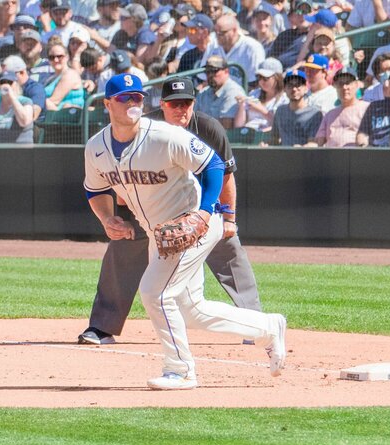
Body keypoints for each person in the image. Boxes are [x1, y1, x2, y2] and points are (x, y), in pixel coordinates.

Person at [83, 73, 286, 390]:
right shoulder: (96, 147)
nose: (133, 102)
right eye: (125, 98)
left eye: (137, 97)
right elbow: (94, 190)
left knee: (155, 292)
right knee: (191, 310)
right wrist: (107, 219)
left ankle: (180, 370)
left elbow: (215, 165)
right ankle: (268, 327)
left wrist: (206, 212)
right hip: (161, 234)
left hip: (194, 224)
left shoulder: (165, 135)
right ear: (108, 104)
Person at [306, 67, 368, 147]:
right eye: (340, 83)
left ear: (356, 85)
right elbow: (318, 143)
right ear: (335, 86)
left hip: (357, 156)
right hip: (332, 157)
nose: (344, 87)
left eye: (348, 82)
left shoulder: (367, 109)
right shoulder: (329, 115)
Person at [270, 69, 323, 146]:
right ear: (284, 89)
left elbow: (314, 143)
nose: (294, 89)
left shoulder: (314, 113)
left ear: (306, 88)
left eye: (298, 85)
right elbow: (274, 139)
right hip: (283, 156)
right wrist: (266, 144)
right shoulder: (280, 111)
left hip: (305, 156)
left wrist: (301, 148)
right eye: (290, 85)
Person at [210, 14, 266, 85]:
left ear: (234, 30)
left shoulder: (252, 47)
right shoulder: (213, 45)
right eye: (216, 32)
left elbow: (255, 83)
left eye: (221, 33)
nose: (217, 36)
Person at [234, 57, 287, 132]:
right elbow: (238, 126)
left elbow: (282, 128)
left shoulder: (284, 99)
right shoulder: (254, 94)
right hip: (248, 135)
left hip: (268, 138)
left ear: (277, 78)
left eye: (265, 78)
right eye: (259, 77)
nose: (261, 81)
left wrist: (262, 110)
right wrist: (241, 106)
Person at [195, 55, 246, 129]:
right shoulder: (203, 93)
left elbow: (226, 125)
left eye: (214, 71)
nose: (210, 75)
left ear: (226, 71)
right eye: (208, 71)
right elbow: (192, 119)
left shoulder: (233, 91)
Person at [3, 54, 46, 122]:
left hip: (33, 128)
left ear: (22, 72)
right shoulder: (6, 87)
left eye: (11, 75)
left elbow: (33, 115)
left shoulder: (35, 89)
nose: (7, 78)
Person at [44, 43, 86, 110]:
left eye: (59, 56)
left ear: (67, 57)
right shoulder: (50, 78)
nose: (56, 60)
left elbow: (54, 101)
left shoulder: (70, 75)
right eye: (51, 57)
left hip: (68, 116)